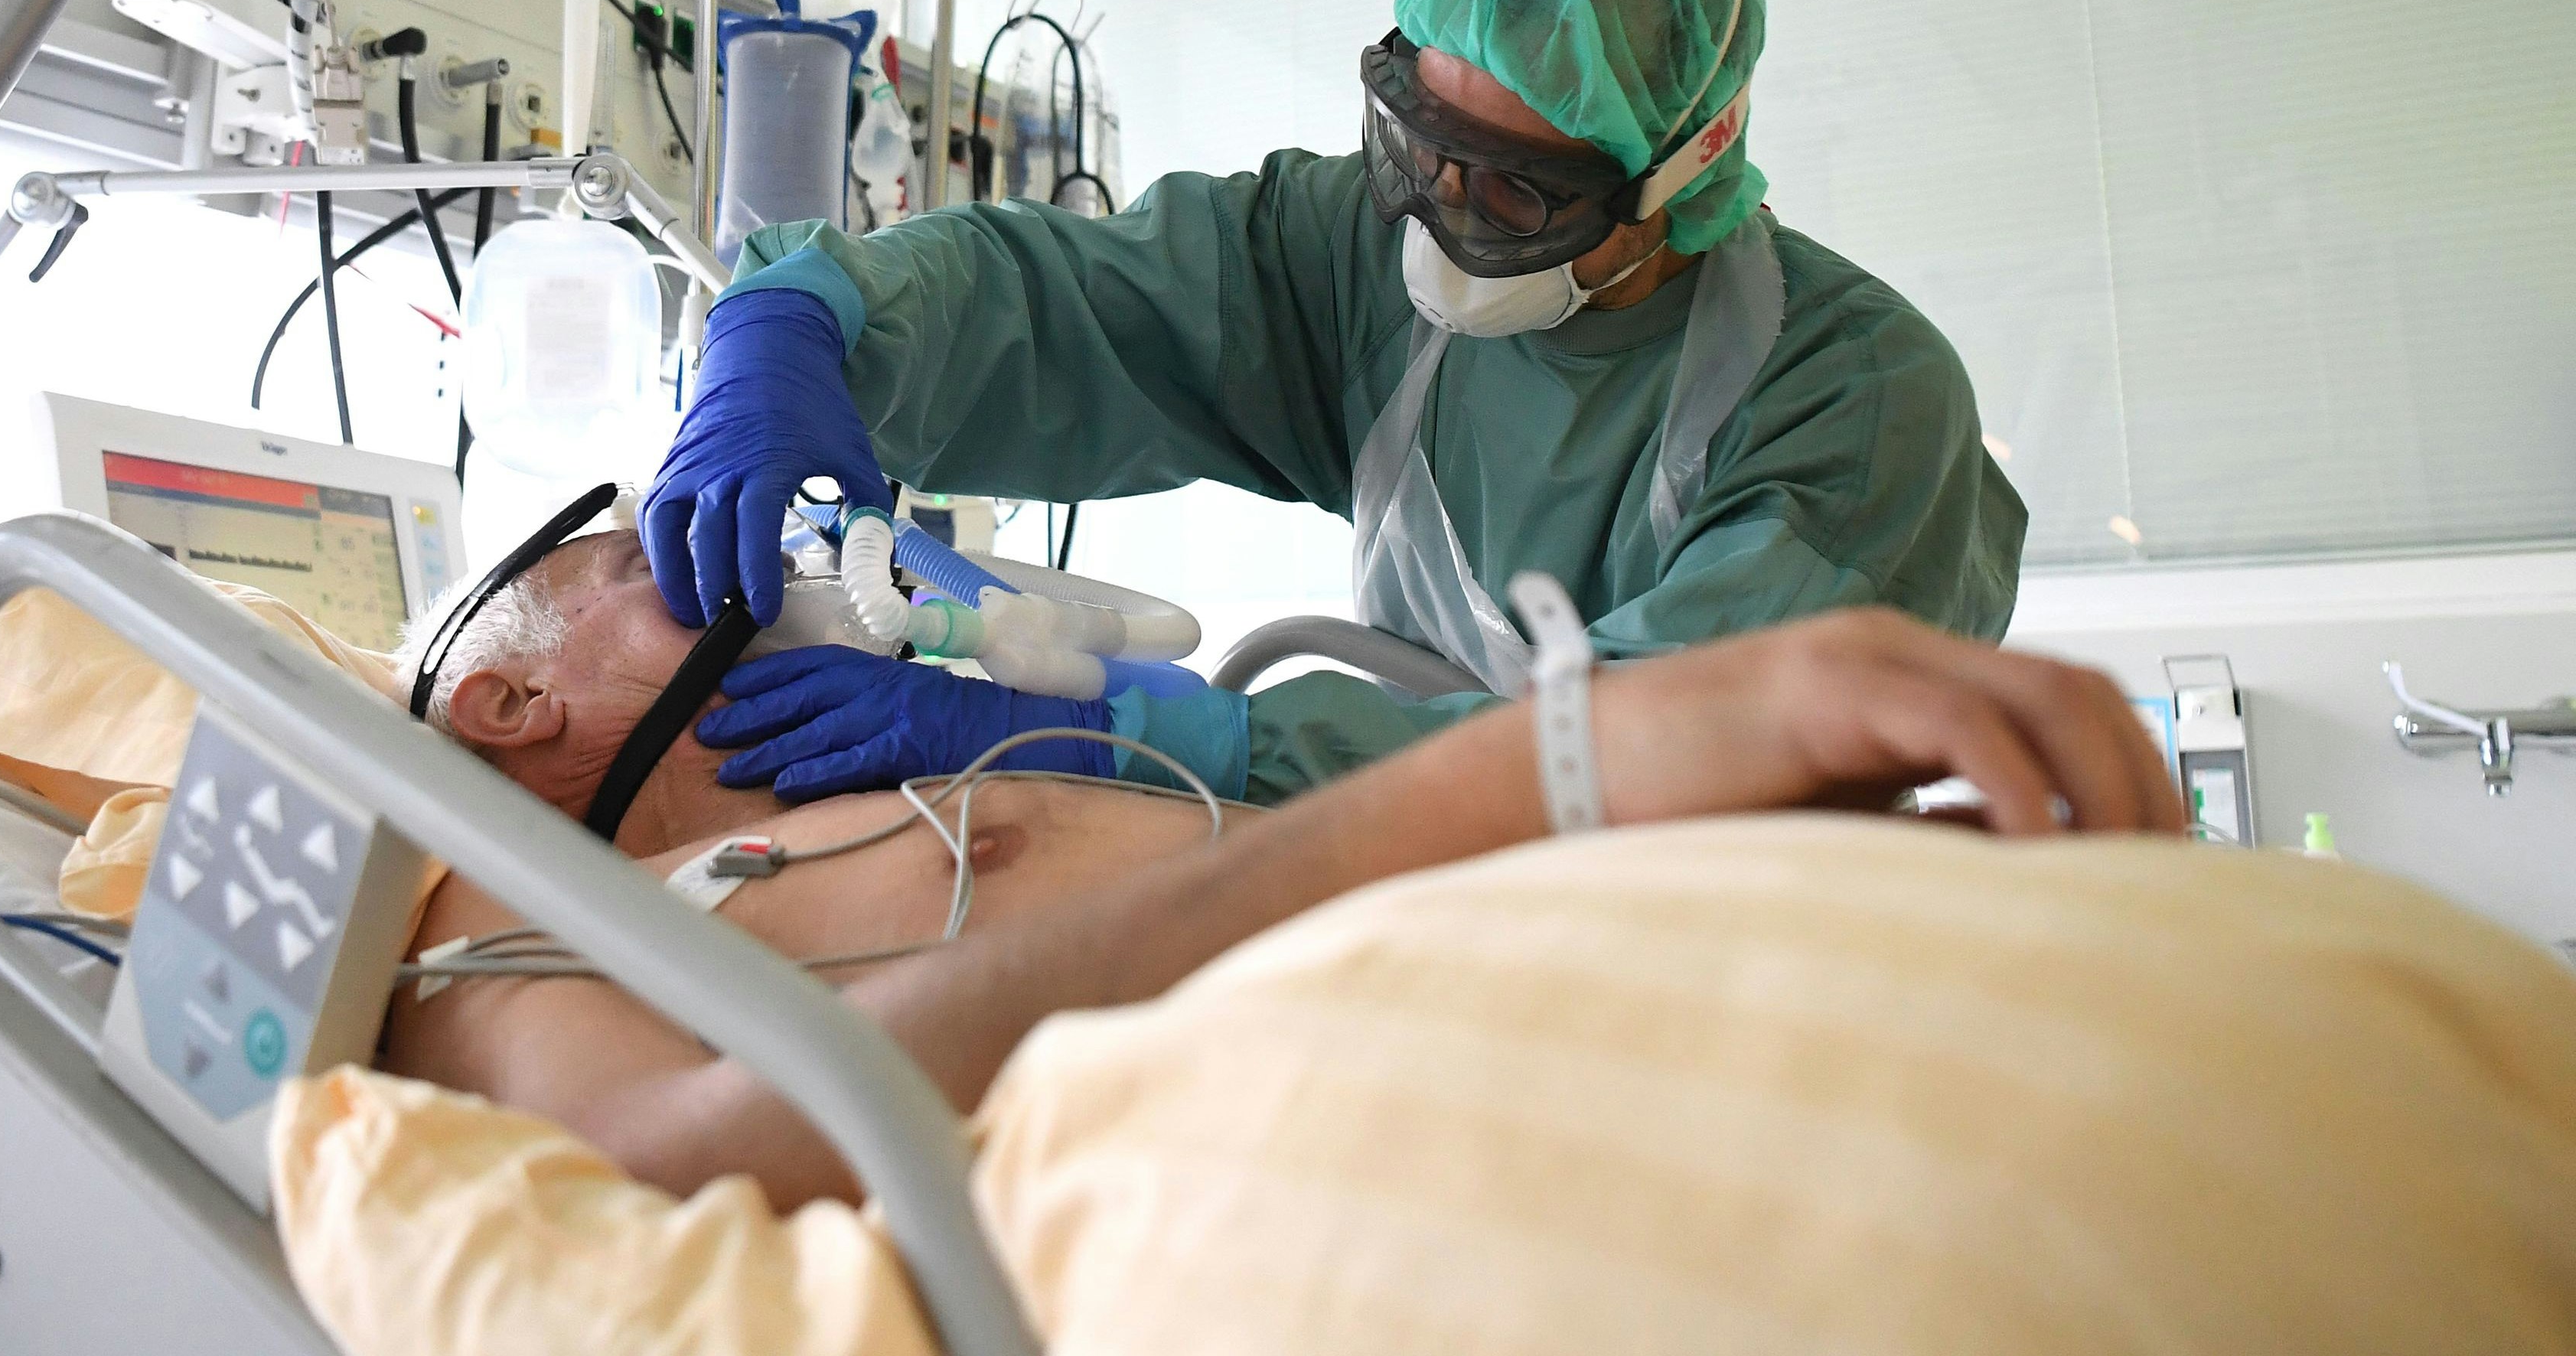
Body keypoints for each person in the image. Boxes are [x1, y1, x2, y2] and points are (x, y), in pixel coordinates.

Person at [640, 0, 2026, 809]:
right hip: (1390, 883)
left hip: (1703, 943)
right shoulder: (1356, 252)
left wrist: (1182, 741)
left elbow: (1681, 747)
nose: (1436, 220)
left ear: (1687, 161)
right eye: (1417, 148)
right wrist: (801, 322)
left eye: (1521, 194)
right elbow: (1075, 304)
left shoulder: (1858, 402)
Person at [386, 518, 2175, 1210]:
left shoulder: (793, 822)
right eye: (661, 561)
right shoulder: (473, 896)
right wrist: (1536, 775)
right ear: (505, 697)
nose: (739, 567)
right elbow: (659, 1160)